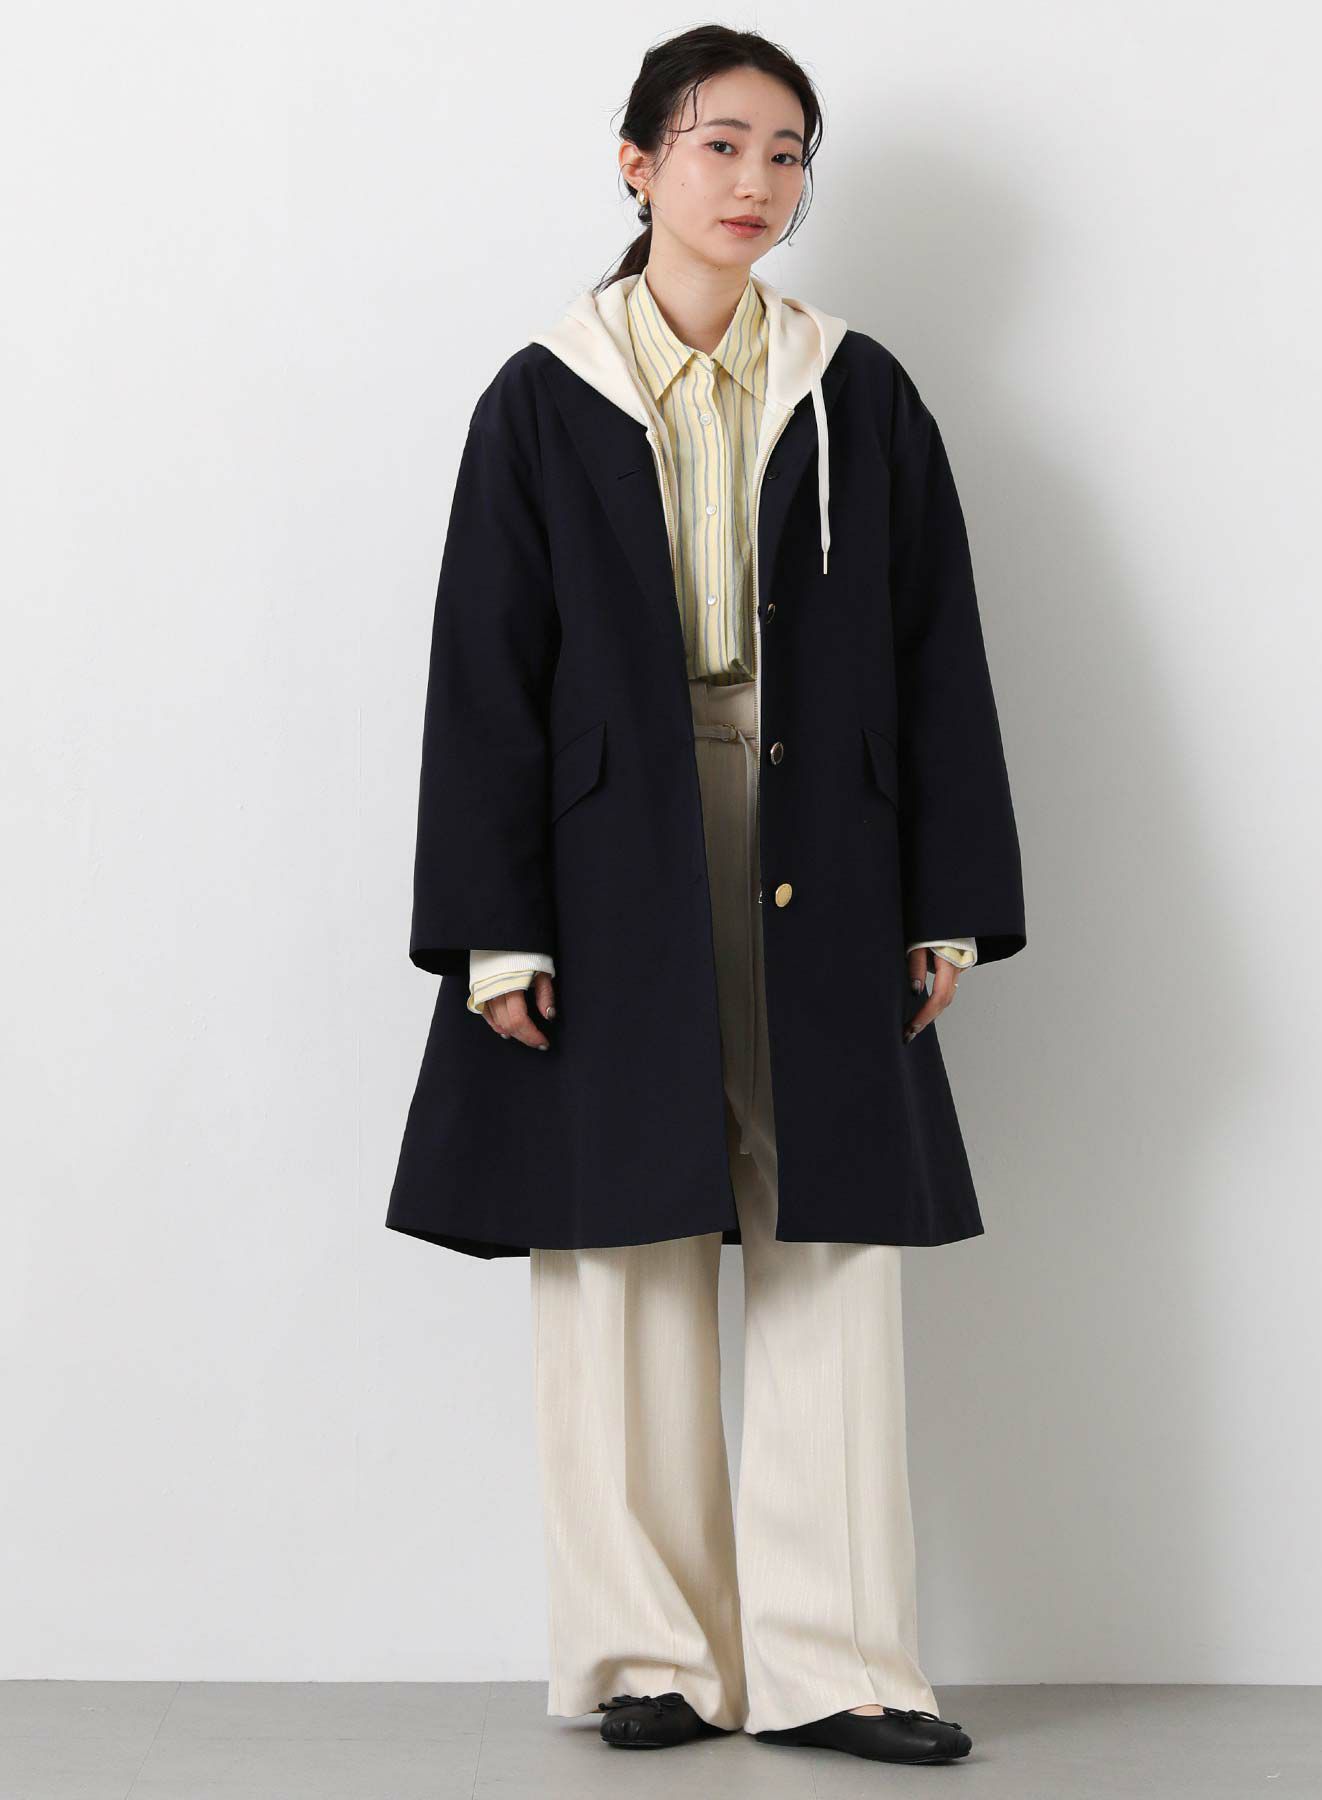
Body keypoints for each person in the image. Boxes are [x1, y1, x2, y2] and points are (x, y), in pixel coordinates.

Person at [387, 25, 1025, 1768]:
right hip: (611, 857)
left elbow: (937, 652)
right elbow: (484, 675)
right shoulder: (541, 396)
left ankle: (841, 1665)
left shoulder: (857, 390)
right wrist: (496, 925)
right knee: (625, 1242)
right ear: (639, 162)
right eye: (721, 143)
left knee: (829, 1239)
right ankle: (645, 1656)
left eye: (788, 152)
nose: (756, 182)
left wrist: (945, 900)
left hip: (828, 835)